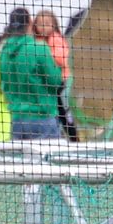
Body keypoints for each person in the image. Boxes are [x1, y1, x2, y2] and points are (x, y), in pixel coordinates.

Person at [0, 7, 64, 141]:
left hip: (17, 119)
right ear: (30, 23)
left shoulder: (4, 52)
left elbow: (4, 85)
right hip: (42, 117)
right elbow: (56, 81)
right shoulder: (39, 48)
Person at [33, 10, 79, 140]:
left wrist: (44, 55)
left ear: (54, 25)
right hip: (44, 85)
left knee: (63, 109)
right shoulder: (35, 41)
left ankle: (73, 136)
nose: (44, 27)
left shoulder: (56, 39)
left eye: (47, 23)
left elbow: (61, 58)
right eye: (40, 24)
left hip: (59, 83)